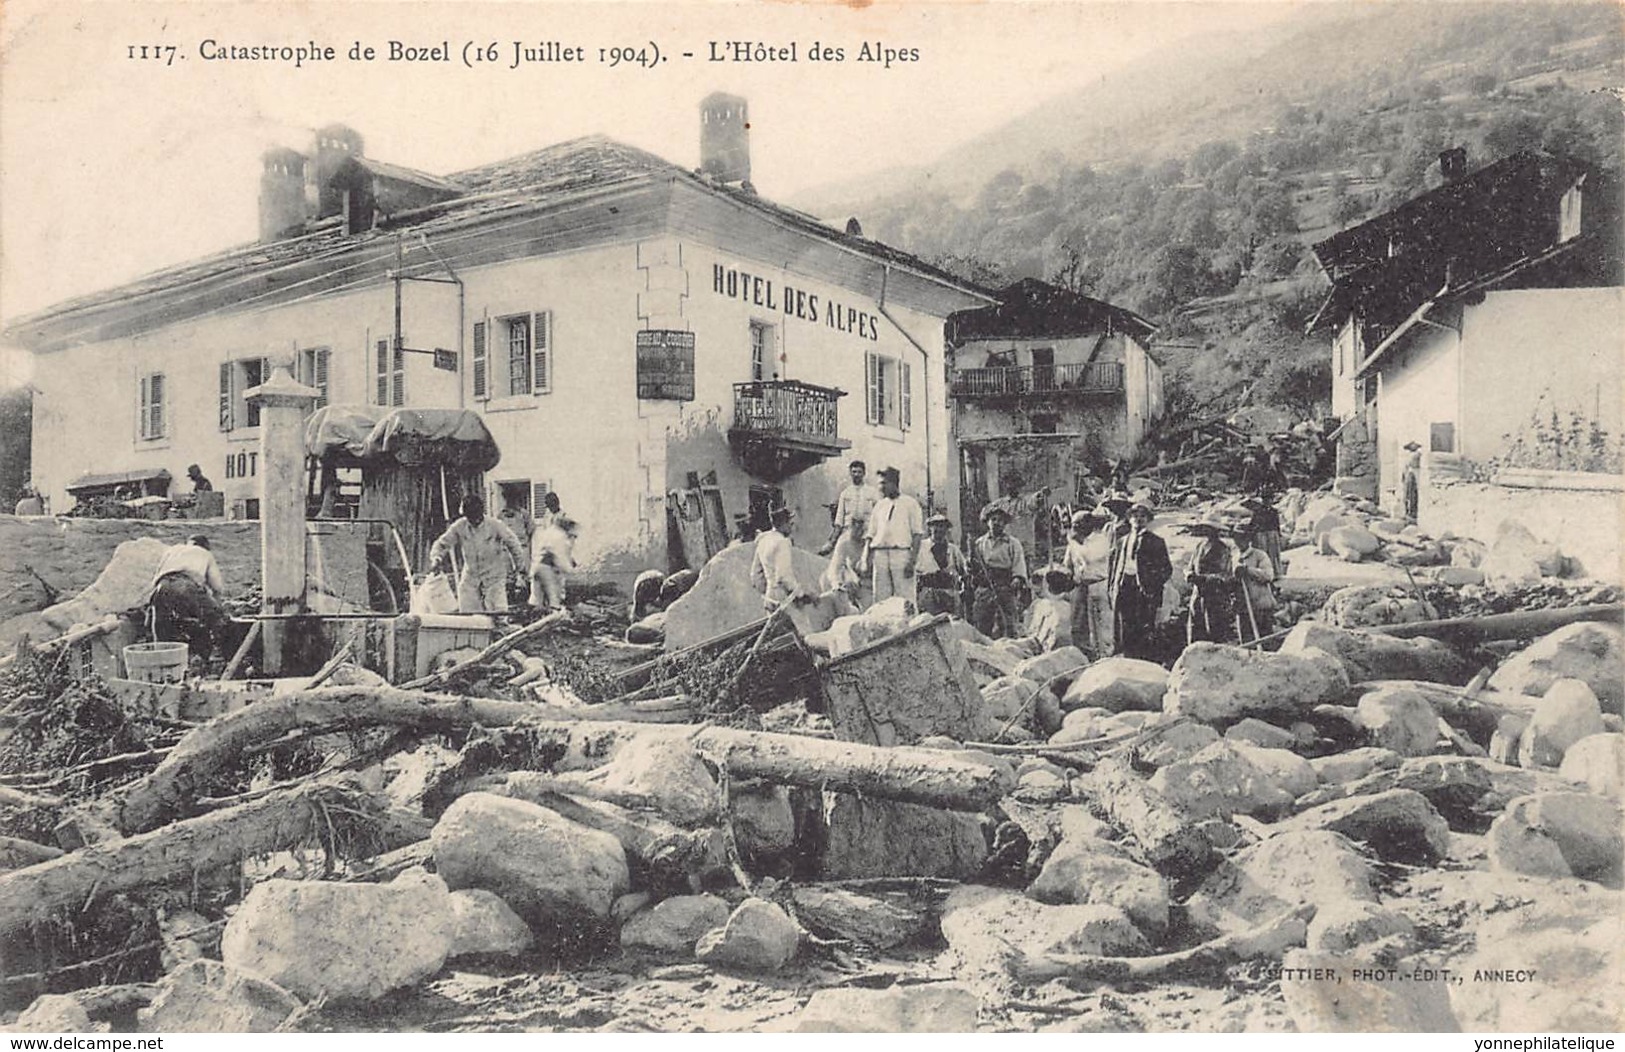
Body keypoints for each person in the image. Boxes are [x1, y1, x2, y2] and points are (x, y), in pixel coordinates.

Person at [429, 494, 528, 613]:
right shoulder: (460, 526)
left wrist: (520, 569)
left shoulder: (495, 525)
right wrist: (436, 558)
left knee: (498, 613)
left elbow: (514, 544)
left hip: (494, 577)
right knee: (468, 611)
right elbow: (441, 544)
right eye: (470, 517)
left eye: (476, 517)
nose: (474, 521)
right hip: (471, 576)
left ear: (481, 513)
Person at [146, 534, 231, 661]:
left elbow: (156, 577)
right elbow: (217, 587)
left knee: (162, 627)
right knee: (217, 619)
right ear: (206, 546)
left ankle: (161, 659)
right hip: (186, 585)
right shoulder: (205, 554)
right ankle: (216, 655)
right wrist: (216, 607)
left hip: (161, 587)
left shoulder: (172, 549)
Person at [1109, 502, 1172, 661]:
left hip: (1144, 588)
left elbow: (1166, 569)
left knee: (1144, 622)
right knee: (1125, 622)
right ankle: (1126, 655)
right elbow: (1114, 565)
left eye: (1142, 516)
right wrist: (1111, 587)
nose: (1138, 519)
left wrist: (1152, 583)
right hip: (1124, 584)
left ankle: (1145, 658)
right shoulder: (1122, 541)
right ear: (1129, 519)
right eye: (1135, 516)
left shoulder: (1156, 541)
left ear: (1148, 520)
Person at [865, 466, 924, 606]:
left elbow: (917, 534)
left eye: (884, 484)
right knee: (880, 598)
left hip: (901, 554)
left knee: (905, 598)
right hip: (880, 555)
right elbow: (870, 534)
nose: (881, 487)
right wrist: (865, 558)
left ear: (893, 483)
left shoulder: (910, 504)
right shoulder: (879, 505)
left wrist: (912, 561)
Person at [1060, 508, 1112, 657]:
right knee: (1078, 621)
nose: (1075, 528)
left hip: (1098, 584)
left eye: (1079, 524)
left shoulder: (1100, 540)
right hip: (1079, 585)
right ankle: (1082, 654)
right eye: (1074, 524)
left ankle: (1102, 653)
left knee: (1099, 622)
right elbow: (1067, 565)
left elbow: (1090, 557)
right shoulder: (1073, 543)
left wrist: (1074, 542)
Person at [971, 506, 1028, 638]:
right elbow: (974, 567)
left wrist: (1017, 578)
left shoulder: (1013, 543)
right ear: (987, 522)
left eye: (1000, 520)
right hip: (985, 587)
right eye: (993, 519)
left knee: (1008, 623)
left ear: (1005, 524)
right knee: (982, 623)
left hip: (1005, 587)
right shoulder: (979, 543)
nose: (996, 523)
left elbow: (1018, 563)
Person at [1183, 516, 1236, 645]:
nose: (1207, 531)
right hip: (1198, 594)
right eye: (1205, 528)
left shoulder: (1223, 548)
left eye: (1210, 528)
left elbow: (1225, 574)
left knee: (1214, 629)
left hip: (1215, 595)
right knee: (1195, 627)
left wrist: (1204, 578)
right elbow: (1190, 565)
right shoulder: (1200, 545)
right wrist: (1189, 574)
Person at [751, 504, 811, 611]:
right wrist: (801, 595)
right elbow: (783, 577)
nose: (791, 527)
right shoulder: (782, 542)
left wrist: (769, 591)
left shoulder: (763, 541)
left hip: (770, 598)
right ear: (782, 524)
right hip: (784, 599)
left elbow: (755, 575)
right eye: (789, 523)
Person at [916, 511, 969, 617]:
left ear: (946, 529)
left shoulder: (953, 549)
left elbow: (964, 571)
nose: (938, 529)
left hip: (948, 592)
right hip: (928, 592)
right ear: (930, 528)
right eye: (935, 526)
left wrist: (963, 588)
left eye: (942, 526)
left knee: (952, 624)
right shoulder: (921, 547)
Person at [1233, 525, 1278, 642]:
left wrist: (1248, 570)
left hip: (1261, 606)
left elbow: (1268, 575)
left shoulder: (1260, 555)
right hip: (1242, 607)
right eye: (1237, 538)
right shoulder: (1233, 557)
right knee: (1246, 641)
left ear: (1249, 539)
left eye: (1243, 538)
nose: (1239, 541)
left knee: (1265, 640)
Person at [530, 513, 578, 613]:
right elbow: (560, 558)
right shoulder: (560, 536)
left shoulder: (549, 532)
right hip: (547, 569)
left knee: (538, 600)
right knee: (554, 599)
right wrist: (570, 570)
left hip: (538, 567)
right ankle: (552, 618)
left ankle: (535, 618)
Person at [1024, 565, 1076, 652]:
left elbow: (1035, 628)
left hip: (1050, 643)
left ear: (1047, 585)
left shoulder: (1042, 604)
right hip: (1068, 644)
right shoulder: (1070, 605)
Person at [1401, 441, 1422, 522]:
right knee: (1407, 494)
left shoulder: (1417, 455)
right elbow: (1405, 467)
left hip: (1413, 474)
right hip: (1408, 474)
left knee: (1412, 494)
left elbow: (1413, 466)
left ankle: (1412, 512)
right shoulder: (1408, 456)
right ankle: (1407, 511)